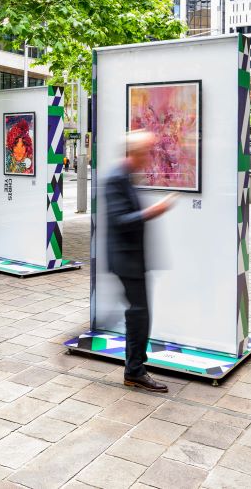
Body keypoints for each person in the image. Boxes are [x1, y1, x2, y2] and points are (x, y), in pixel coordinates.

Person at [105, 130, 177, 392]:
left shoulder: (126, 176)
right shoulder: (116, 178)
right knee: (138, 316)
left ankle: (134, 369)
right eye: (147, 152)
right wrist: (153, 211)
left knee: (138, 314)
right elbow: (119, 220)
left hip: (132, 259)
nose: (150, 157)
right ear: (135, 153)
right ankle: (134, 371)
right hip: (126, 260)